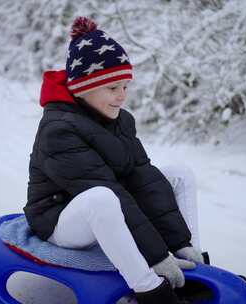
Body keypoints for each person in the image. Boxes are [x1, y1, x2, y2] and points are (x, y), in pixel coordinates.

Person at [23, 16, 204, 304]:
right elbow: (109, 191)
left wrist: (178, 243)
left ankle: (193, 268)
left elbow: (142, 179)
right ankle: (150, 290)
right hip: (61, 219)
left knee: (178, 174)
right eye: (112, 88)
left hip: (109, 209)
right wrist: (155, 256)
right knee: (102, 198)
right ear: (84, 88)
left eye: (125, 87)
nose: (122, 97)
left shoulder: (120, 120)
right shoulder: (59, 130)